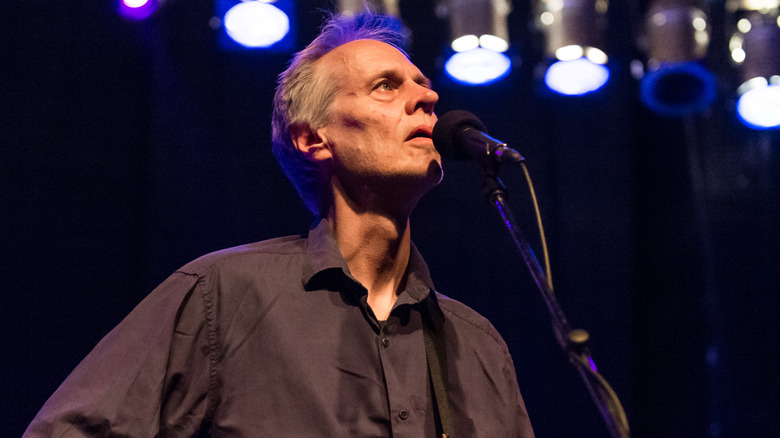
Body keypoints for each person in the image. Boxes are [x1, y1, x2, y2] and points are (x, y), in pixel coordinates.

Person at [25, 12, 534, 437]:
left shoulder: (477, 346)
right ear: (313, 139)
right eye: (386, 86)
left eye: (423, 85)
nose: (428, 99)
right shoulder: (221, 295)